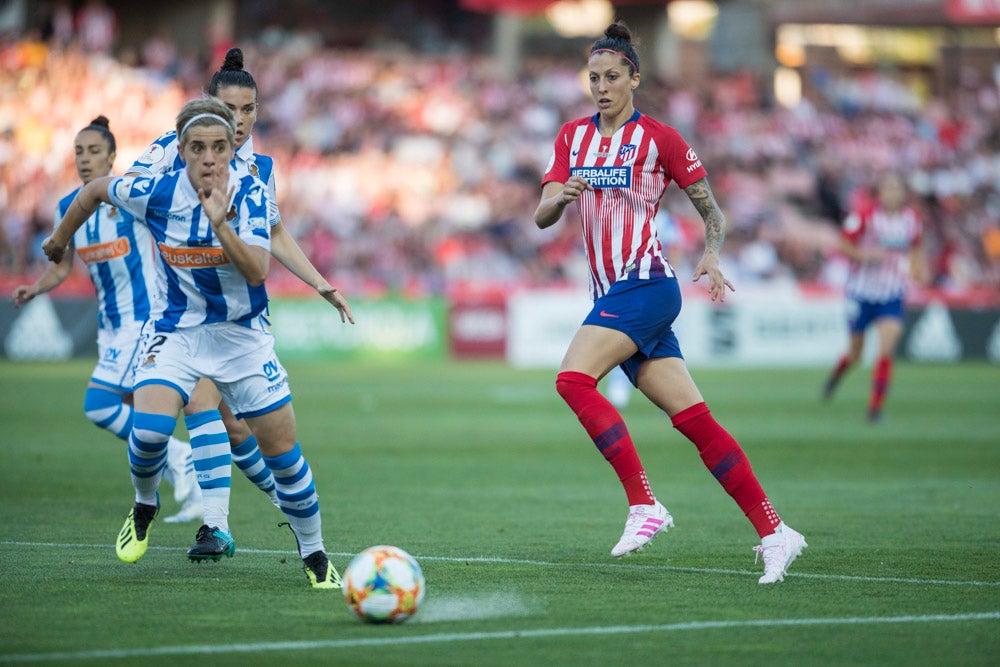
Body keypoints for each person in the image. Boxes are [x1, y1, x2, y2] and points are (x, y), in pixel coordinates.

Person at [533, 22, 806, 584]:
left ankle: (644, 504)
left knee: (572, 380)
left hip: (649, 284)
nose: (601, 87)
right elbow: (541, 216)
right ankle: (775, 530)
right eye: (594, 78)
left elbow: (713, 213)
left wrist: (710, 253)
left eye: (612, 77)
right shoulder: (569, 138)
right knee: (695, 421)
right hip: (613, 292)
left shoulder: (661, 138)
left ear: (635, 77)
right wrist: (560, 197)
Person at [43, 97, 341, 589]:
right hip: (176, 331)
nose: (209, 158)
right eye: (198, 148)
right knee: (150, 431)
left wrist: (220, 222)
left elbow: (257, 270)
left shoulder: (248, 192)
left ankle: (314, 554)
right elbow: (95, 190)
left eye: (219, 148)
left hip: (242, 337)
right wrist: (59, 239)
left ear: (231, 151)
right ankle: (145, 504)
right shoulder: (155, 191)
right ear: (180, 150)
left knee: (283, 454)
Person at [127, 47, 354, 560]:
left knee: (237, 427)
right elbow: (130, 198)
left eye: (249, 110)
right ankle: (214, 525)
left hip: (237, 314)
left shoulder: (263, 167)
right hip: (179, 309)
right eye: (230, 108)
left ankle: (283, 509)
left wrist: (321, 284)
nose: (241, 119)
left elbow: (274, 235)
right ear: (209, 105)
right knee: (200, 404)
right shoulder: (170, 149)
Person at [12, 115, 199, 516]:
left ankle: (184, 460)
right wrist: (36, 287)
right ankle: (196, 487)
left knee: (99, 404)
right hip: (109, 327)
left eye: (94, 151)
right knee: (142, 412)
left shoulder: (128, 197)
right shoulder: (69, 208)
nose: (84, 159)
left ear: (113, 156)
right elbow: (62, 266)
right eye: (79, 151)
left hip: (145, 319)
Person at [822, 172, 925, 422]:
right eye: (888, 188)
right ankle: (835, 377)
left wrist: (917, 271)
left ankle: (875, 409)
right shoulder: (865, 215)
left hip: (891, 293)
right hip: (861, 292)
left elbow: (916, 248)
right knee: (856, 354)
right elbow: (843, 243)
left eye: (896, 188)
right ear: (880, 193)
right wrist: (865, 256)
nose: (892, 193)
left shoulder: (911, 220)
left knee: (886, 349)